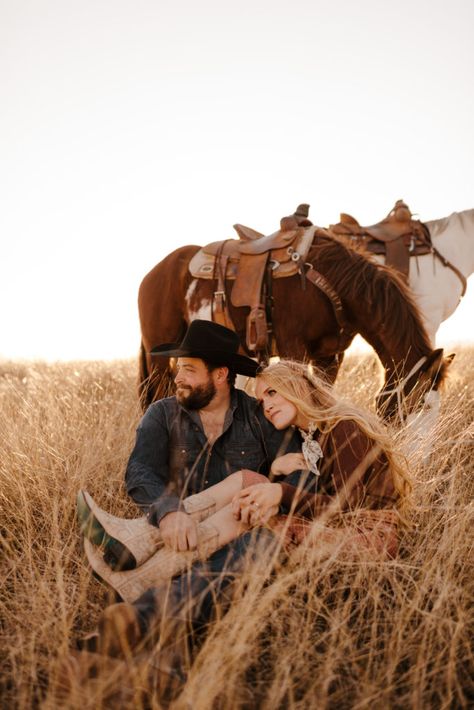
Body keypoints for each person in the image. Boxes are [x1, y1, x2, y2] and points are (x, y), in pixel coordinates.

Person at [78, 352, 408, 690]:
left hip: (368, 534)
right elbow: (314, 494)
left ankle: (145, 593)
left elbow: (351, 504)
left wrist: (280, 493)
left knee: (256, 528)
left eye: (272, 393)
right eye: (261, 396)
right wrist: (275, 478)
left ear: (297, 387)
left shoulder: (343, 426)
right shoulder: (310, 436)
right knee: (249, 485)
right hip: (336, 525)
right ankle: (141, 555)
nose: (265, 405)